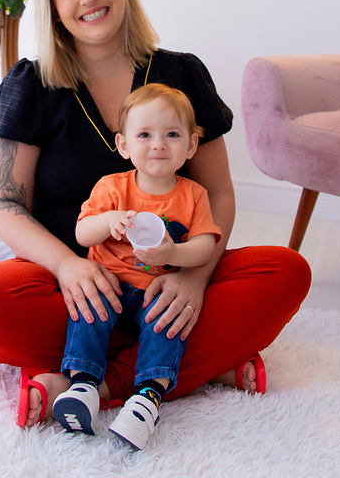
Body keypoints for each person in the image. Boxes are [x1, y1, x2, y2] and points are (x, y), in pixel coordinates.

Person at [0, 0, 311, 430]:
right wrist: (66, 267)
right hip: (73, 286)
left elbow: (219, 194)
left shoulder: (182, 73)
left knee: (286, 272)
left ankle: (90, 384)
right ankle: (192, 366)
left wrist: (193, 279)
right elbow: (5, 206)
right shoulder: (30, 85)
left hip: (168, 279)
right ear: (53, 8)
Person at [53, 84, 221, 450]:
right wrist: (109, 220)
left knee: (167, 326)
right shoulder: (111, 187)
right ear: (124, 145)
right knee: (87, 310)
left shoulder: (193, 195)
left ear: (191, 146)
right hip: (109, 286)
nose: (158, 144)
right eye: (145, 135)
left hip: (157, 295)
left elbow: (206, 246)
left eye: (172, 135)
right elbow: (82, 233)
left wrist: (173, 255)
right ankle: (83, 385)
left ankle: (147, 400)